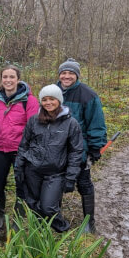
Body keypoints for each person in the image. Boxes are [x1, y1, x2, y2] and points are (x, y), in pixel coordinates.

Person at [14, 85, 84, 232]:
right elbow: (24, 145)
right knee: (32, 203)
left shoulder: (71, 123)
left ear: (59, 100)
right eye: (44, 100)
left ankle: (62, 228)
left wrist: (71, 177)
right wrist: (19, 168)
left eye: (52, 99)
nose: (48, 103)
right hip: (32, 170)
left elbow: (76, 151)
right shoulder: (34, 120)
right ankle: (41, 231)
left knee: (48, 206)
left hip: (55, 173)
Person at [56, 58, 107, 233]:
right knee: (54, 182)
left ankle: (88, 222)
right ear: (59, 75)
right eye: (64, 73)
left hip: (79, 148)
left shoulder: (88, 95)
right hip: (56, 147)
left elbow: (96, 122)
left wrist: (95, 147)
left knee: (83, 182)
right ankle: (56, 218)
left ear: (77, 75)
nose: (67, 76)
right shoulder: (53, 92)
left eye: (71, 73)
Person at [0, 65, 39, 231]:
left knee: (22, 183)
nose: (8, 80)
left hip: (20, 150)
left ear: (18, 79)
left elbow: (33, 127)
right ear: (1, 79)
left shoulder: (29, 101)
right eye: (5, 77)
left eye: (12, 77)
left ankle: (19, 217)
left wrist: (28, 150)